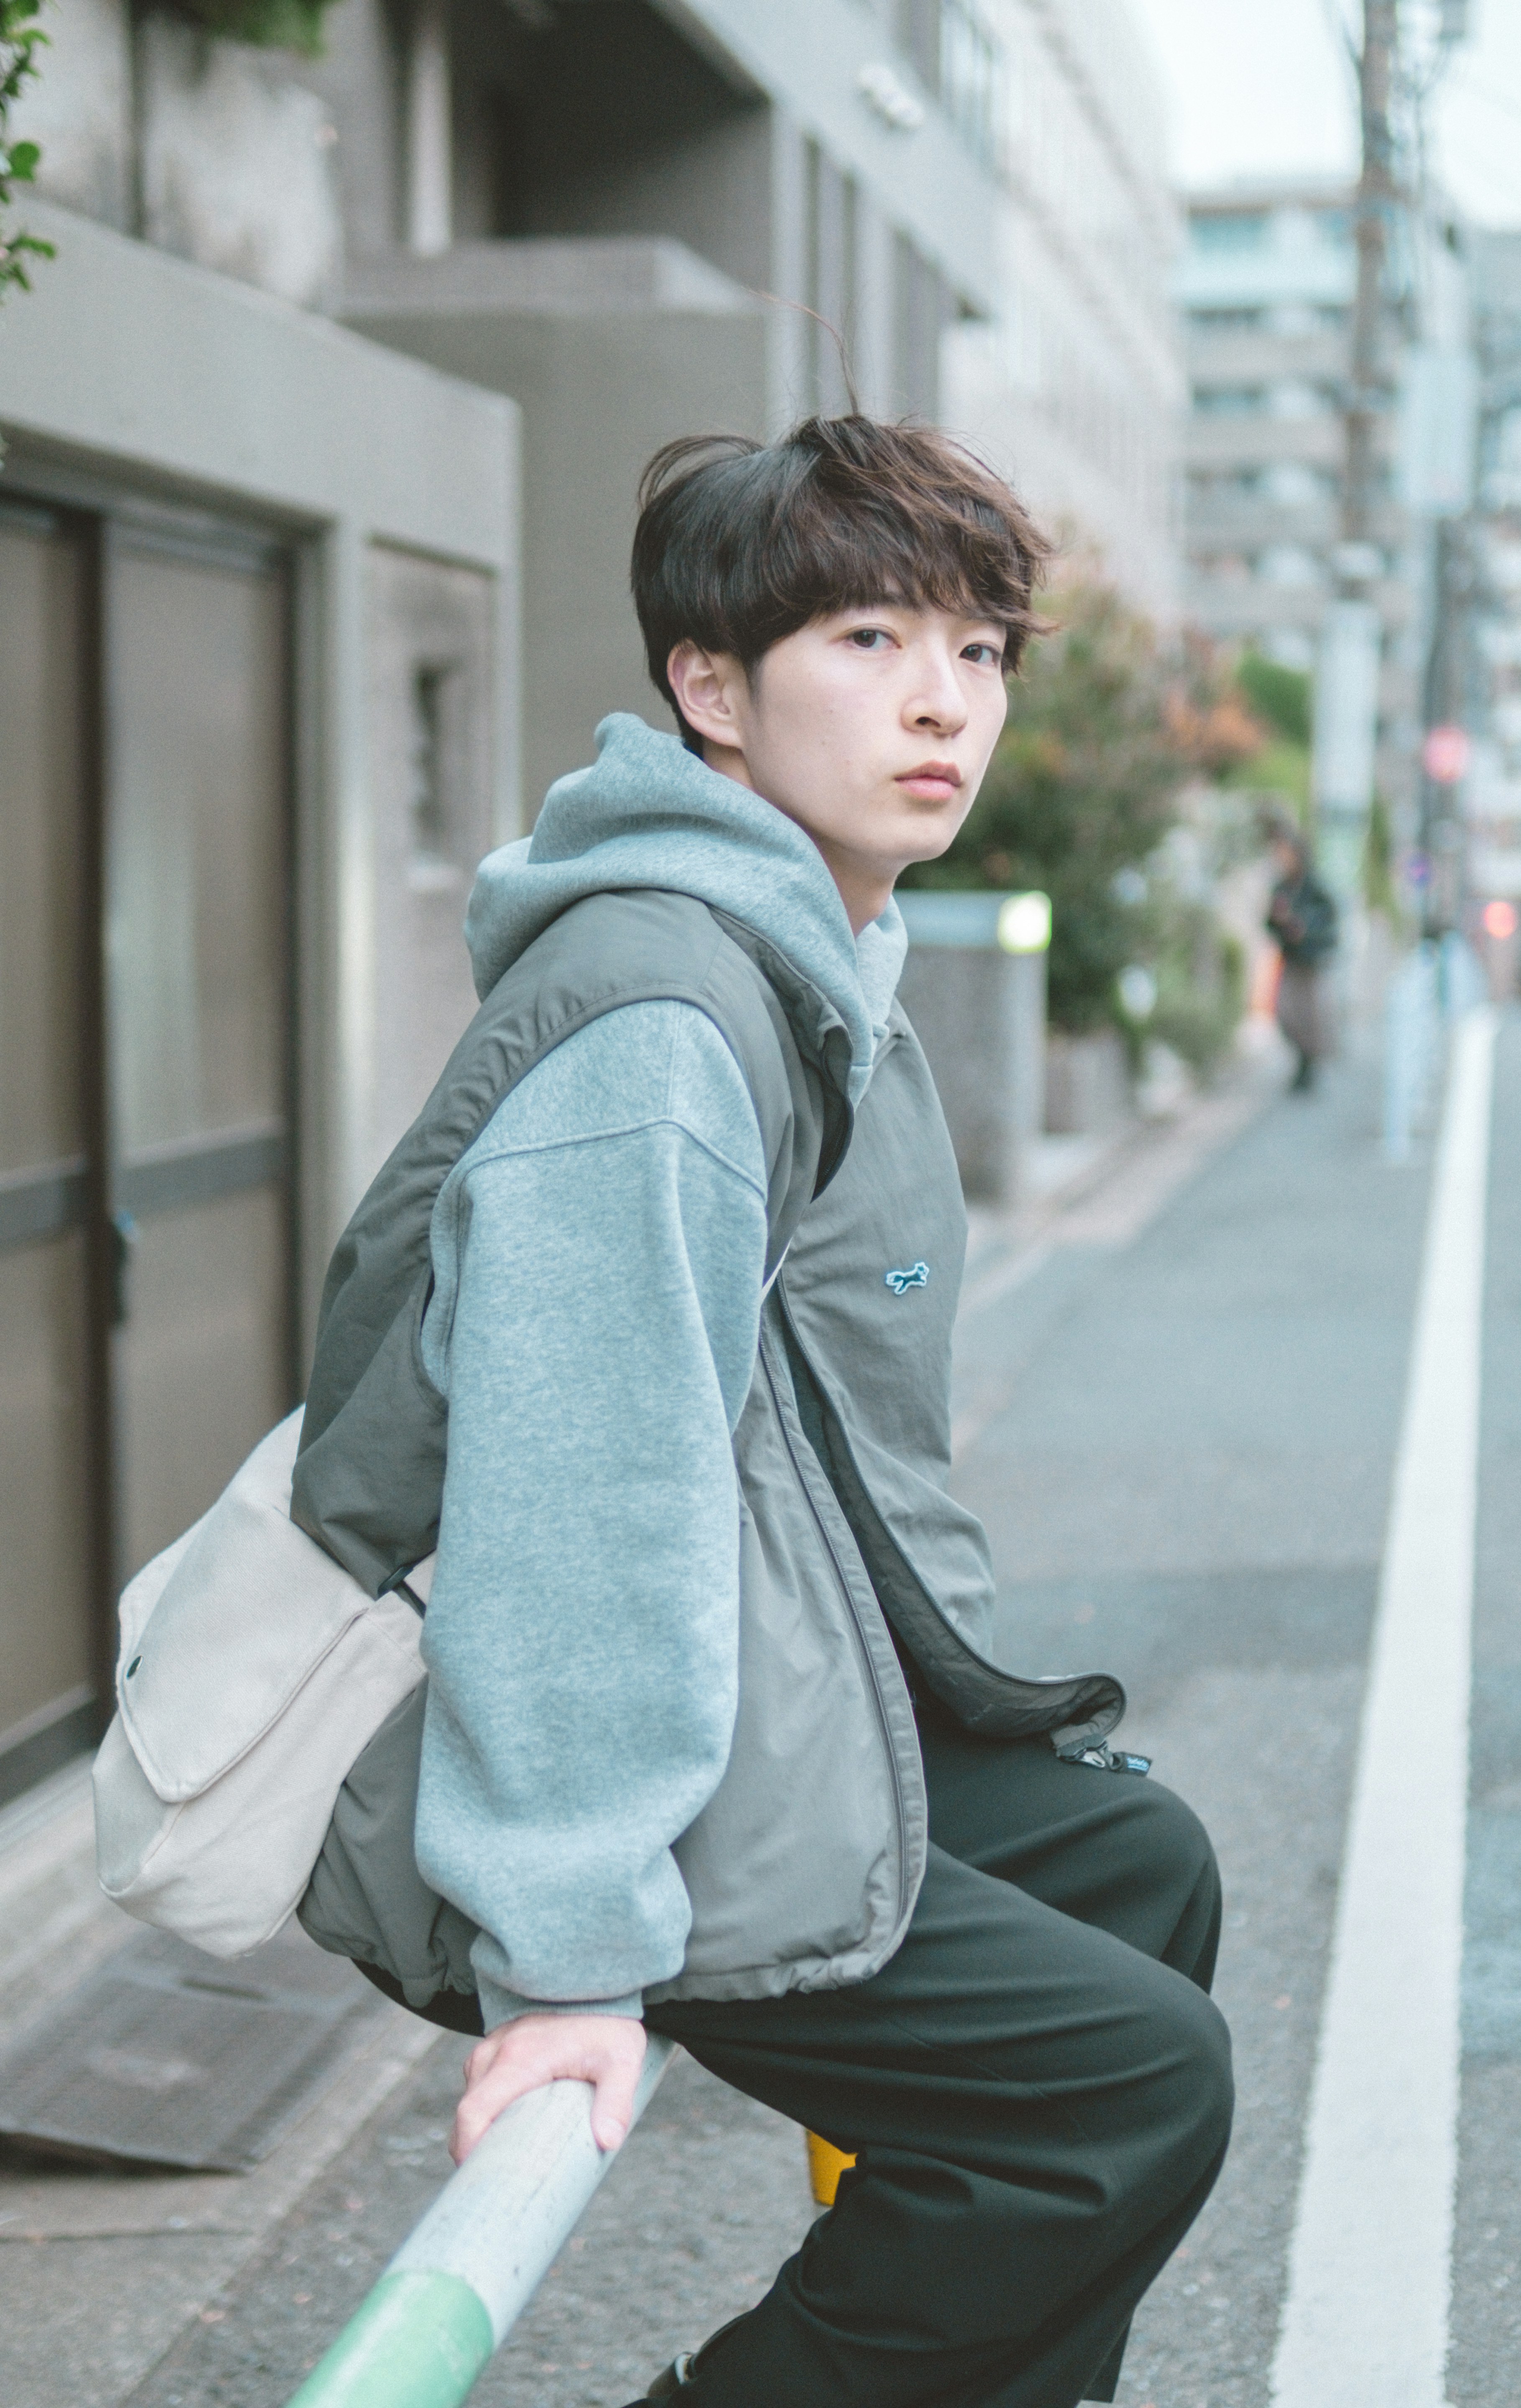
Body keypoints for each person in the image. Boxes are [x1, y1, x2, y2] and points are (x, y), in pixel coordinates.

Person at [292, 415, 1233, 2407]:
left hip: (732, 1694)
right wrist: (565, 1960)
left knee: (1132, 1877)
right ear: (708, 690)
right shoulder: (665, 1024)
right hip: (559, 1755)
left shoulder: (808, 953)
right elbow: (582, 1498)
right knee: (1118, 2090)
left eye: (979, 652)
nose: (941, 703)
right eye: (871, 639)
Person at [1266, 825, 1339, 1093]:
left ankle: (1309, 1066)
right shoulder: (1282, 888)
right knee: (1285, 1014)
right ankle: (1303, 1060)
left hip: (1311, 961)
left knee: (1310, 1016)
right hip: (1291, 959)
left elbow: (1328, 920)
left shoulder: (1314, 887)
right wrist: (1278, 922)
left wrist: (1303, 927)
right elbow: (1270, 924)